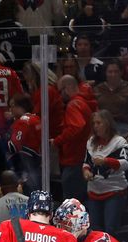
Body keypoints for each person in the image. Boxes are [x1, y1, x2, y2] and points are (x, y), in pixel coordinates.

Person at [83, 110, 128, 236]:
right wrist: (86, 172)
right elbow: (86, 162)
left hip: (114, 191)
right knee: (95, 231)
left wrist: (106, 161)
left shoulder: (119, 142)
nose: (95, 126)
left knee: (111, 230)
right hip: (93, 191)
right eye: (94, 123)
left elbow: (125, 164)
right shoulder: (91, 142)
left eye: (98, 123)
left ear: (107, 123)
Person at [53, 75, 97, 203]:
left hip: (74, 159)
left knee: (72, 202)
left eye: (61, 91)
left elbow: (77, 126)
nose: (60, 96)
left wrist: (57, 141)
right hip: (84, 157)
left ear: (68, 87)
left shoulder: (73, 105)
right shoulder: (85, 102)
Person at [93, 60, 128, 152]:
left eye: (116, 71)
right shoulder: (97, 90)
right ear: (105, 73)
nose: (113, 75)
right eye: (110, 72)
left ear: (121, 72)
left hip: (125, 127)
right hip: (103, 127)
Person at [6, 93, 42, 194]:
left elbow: (13, 147)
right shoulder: (36, 119)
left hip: (26, 169)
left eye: (12, 106)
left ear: (20, 106)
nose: (10, 109)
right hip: (37, 165)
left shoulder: (23, 122)